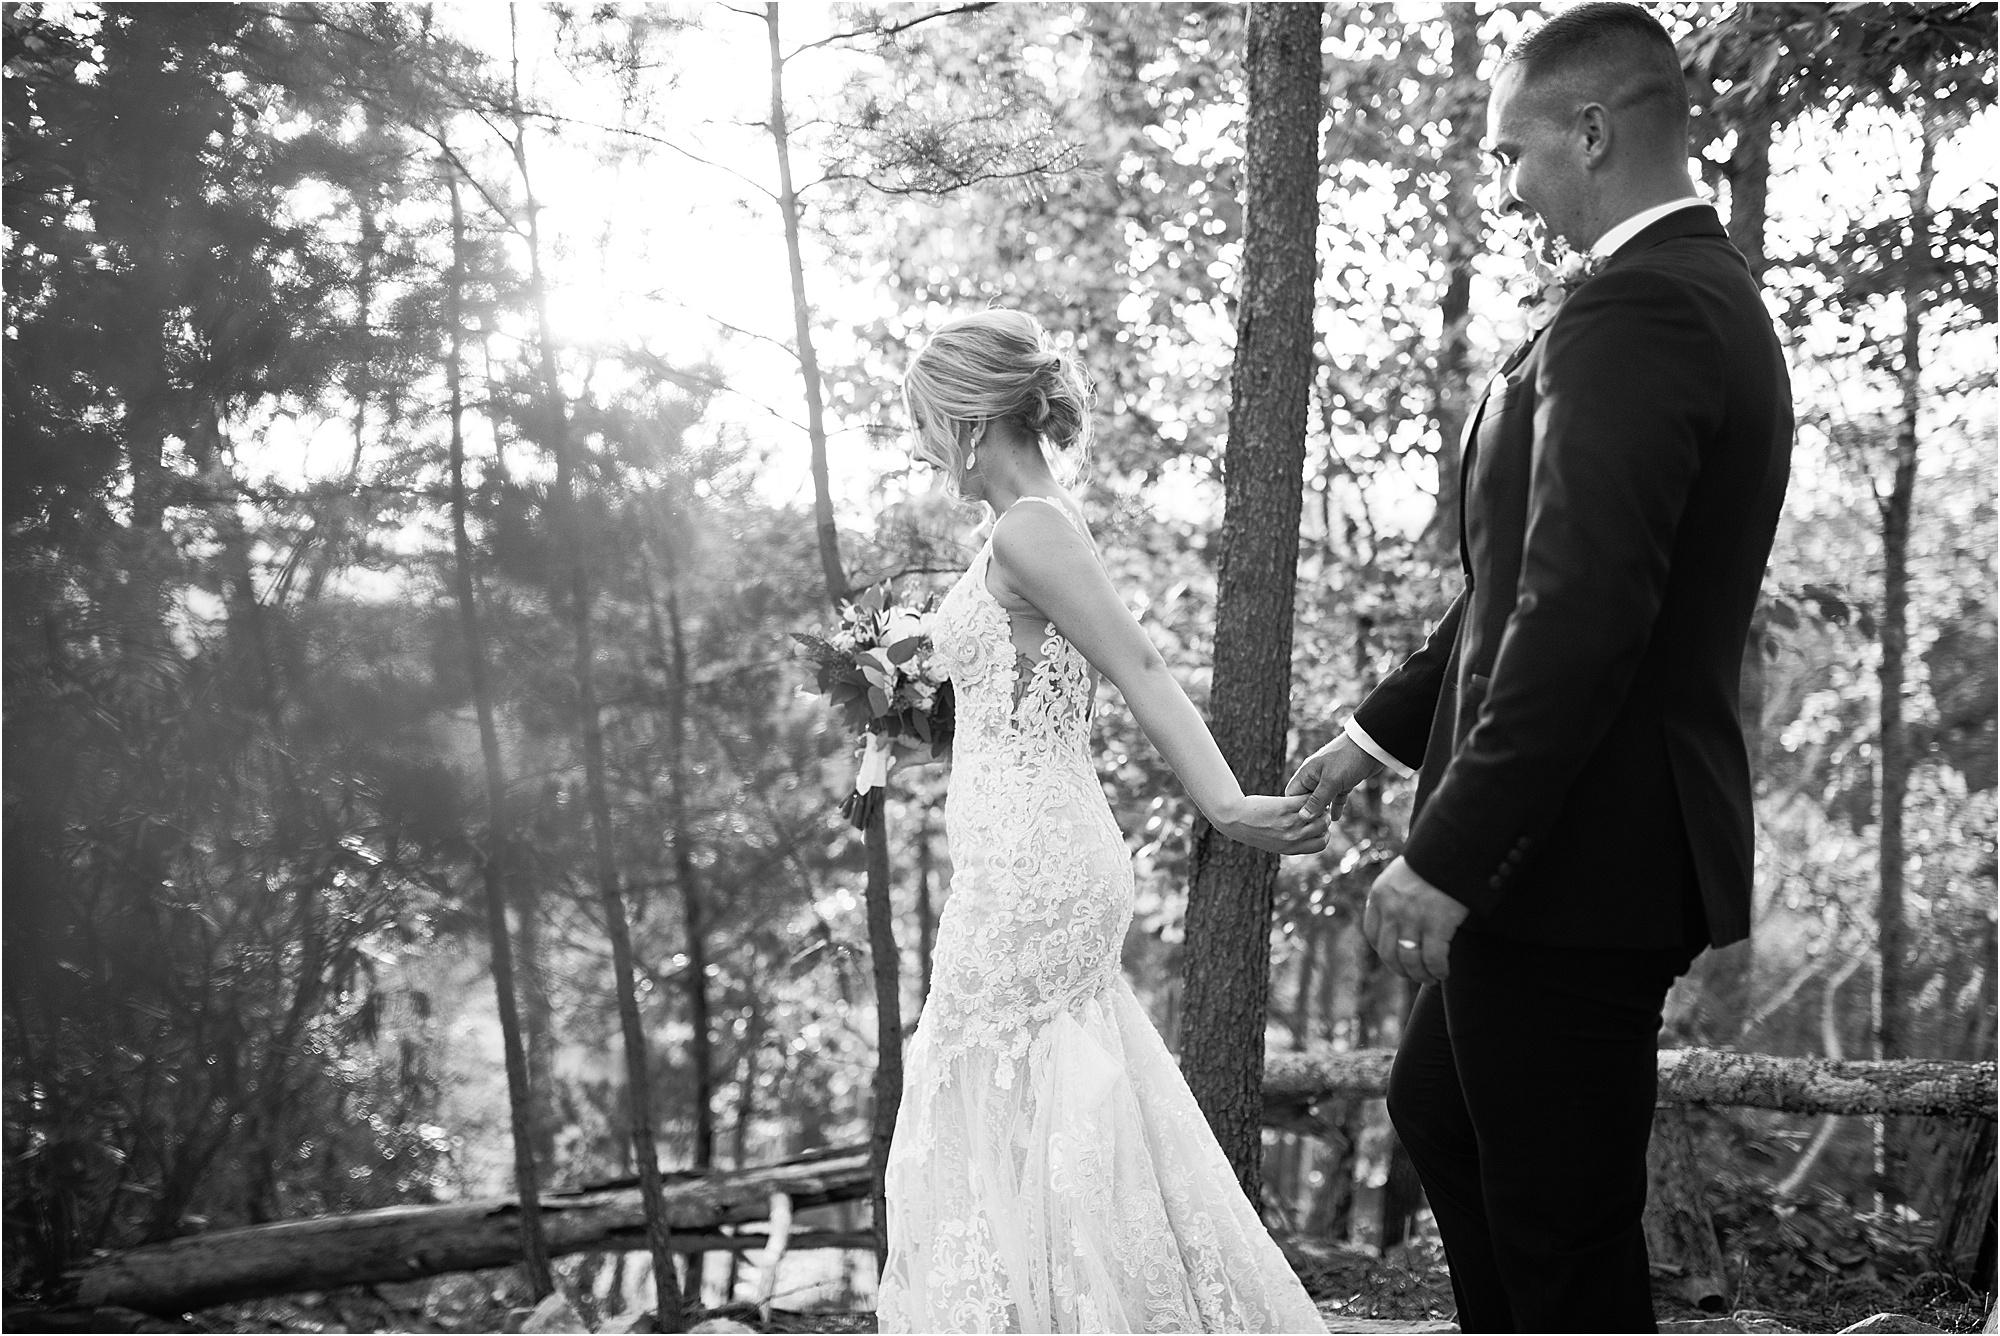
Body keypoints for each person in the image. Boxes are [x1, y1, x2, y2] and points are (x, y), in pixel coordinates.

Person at [1287, 4, 1793, 1331]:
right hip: (1579, 840)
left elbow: (1583, 615)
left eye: (1516, 153)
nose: (1509, 187)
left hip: (1582, 854)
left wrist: (1451, 853)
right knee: (1443, 1115)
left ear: (1593, 129)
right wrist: (1379, 735)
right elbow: (1523, 582)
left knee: (1561, 1233)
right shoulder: (1672, 293)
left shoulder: (1647, 308)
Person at [875, 308, 1330, 1334]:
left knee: (988, 1072)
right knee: (1034, 1085)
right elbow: (1009, 678)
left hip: (1037, 855)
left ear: (967, 417)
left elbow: (1139, 666)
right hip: (1019, 844)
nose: (915, 444)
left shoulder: (1031, 526)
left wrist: (1223, 801)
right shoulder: (1030, 523)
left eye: (920, 420)